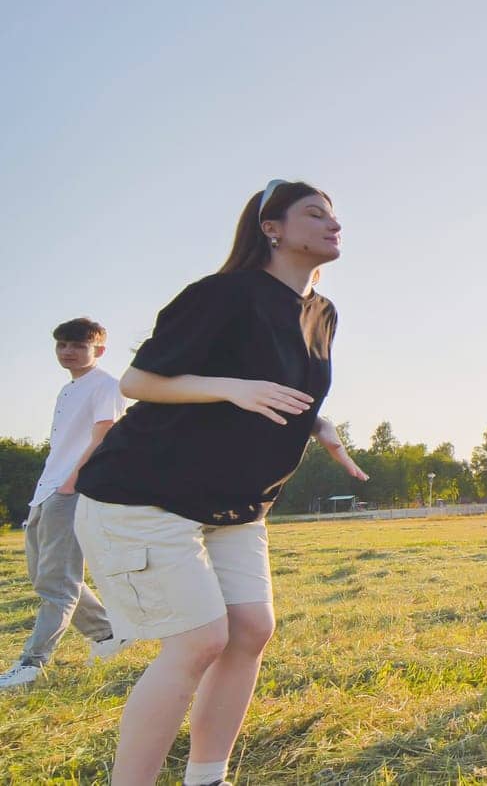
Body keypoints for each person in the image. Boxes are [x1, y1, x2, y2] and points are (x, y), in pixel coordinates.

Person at [73, 179, 367, 786]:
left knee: (251, 629)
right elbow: (137, 382)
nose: (332, 224)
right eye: (314, 214)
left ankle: (207, 778)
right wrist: (231, 388)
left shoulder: (322, 313)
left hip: (237, 502)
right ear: (272, 228)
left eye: (335, 216)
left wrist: (318, 422)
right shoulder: (223, 294)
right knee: (199, 641)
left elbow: (277, 383)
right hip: (144, 494)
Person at [0, 318, 129, 690]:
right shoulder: (67, 390)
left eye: (78, 345)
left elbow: (105, 434)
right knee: (44, 575)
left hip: (69, 491)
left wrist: (73, 482)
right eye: (62, 345)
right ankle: (107, 633)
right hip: (47, 490)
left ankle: (31, 663)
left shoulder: (105, 385)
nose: (68, 351)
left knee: (58, 583)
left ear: (98, 350)